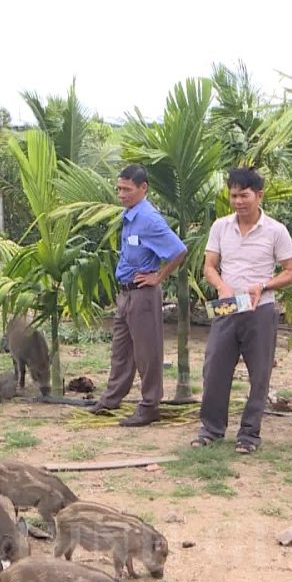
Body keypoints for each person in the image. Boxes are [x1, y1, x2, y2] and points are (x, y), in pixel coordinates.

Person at [191, 167, 292, 454]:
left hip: (260, 309)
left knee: (259, 374)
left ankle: (249, 435)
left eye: (244, 195)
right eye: (234, 195)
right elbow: (209, 266)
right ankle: (211, 430)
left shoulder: (275, 230)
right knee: (214, 369)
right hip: (227, 307)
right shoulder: (221, 227)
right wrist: (221, 286)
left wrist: (264, 285)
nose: (238, 201)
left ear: (259, 195)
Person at [89, 165, 187, 427]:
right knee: (121, 350)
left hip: (143, 294)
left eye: (127, 189)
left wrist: (159, 276)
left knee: (147, 353)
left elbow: (178, 250)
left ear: (143, 188)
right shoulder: (130, 214)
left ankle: (150, 405)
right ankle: (112, 398)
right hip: (126, 294)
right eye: (119, 189)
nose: (121, 194)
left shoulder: (149, 219)